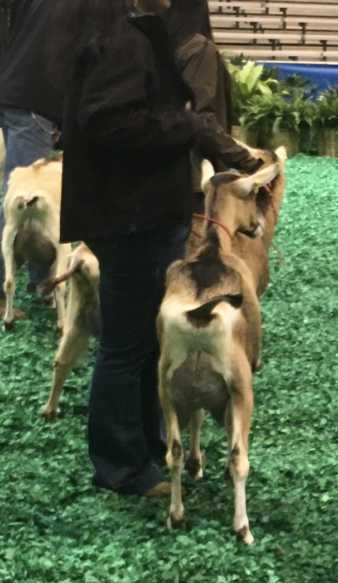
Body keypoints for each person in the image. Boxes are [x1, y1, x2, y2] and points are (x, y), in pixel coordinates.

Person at [58, 0, 203, 498]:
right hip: (131, 216)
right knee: (126, 348)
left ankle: (145, 452)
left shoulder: (120, 32)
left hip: (135, 213)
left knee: (140, 343)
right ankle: (121, 466)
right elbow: (107, 121)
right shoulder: (122, 39)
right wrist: (180, 125)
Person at [162, 0, 262, 212]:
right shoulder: (198, 49)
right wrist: (247, 161)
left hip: (161, 176)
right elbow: (202, 119)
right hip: (195, 178)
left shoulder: (156, 45)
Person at [0, 0, 65, 319]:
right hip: (34, 101)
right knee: (20, 200)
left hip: (14, 92)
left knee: (23, 199)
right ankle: (2, 290)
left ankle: (40, 281)